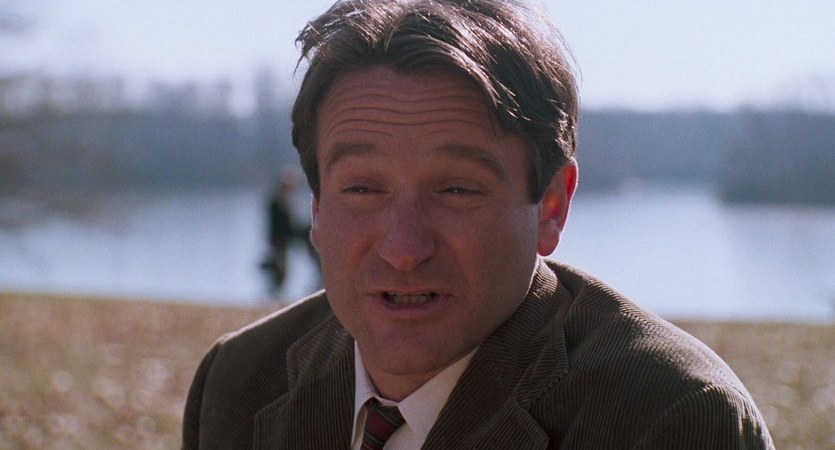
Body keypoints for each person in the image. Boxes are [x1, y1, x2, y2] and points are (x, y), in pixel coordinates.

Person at [183, 0, 774, 448]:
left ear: (551, 207)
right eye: (362, 189)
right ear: (316, 208)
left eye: (457, 190)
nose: (404, 248)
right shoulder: (238, 380)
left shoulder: (673, 417)